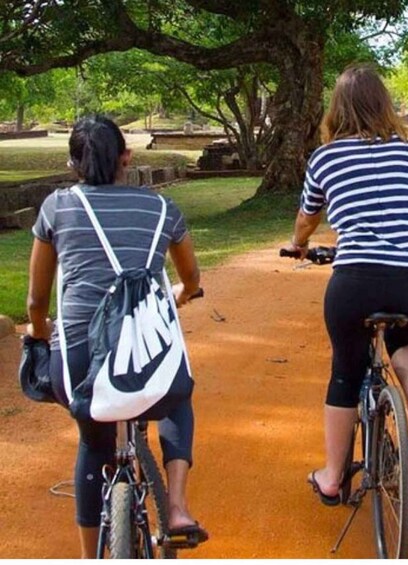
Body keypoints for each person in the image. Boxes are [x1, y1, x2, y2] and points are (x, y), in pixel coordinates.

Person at [26, 116, 208, 557]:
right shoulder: (164, 209)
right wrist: (181, 296)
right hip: (148, 354)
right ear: (127, 158)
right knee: (175, 398)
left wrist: (37, 333)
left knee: (94, 442)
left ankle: (91, 556)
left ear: (73, 165)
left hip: (79, 362)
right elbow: (190, 277)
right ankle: (179, 507)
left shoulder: (56, 207)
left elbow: (36, 300)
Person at [280, 64, 408, 505]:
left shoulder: (326, 157)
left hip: (355, 282)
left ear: (337, 108)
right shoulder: (407, 152)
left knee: (346, 370)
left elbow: (307, 217)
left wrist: (299, 245)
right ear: (384, 104)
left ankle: (333, 477)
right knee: (405, 332)